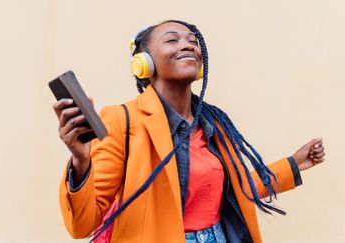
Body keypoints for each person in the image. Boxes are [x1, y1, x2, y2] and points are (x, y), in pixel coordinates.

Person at [53, 20, 326, 243]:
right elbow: (83, 224)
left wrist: (293, 165)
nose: (187, 44)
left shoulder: (214, 122)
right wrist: (81, 160)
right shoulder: (122, 120)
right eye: (172, 40)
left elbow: (232, 190)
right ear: (144, 63)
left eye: (193, 41)